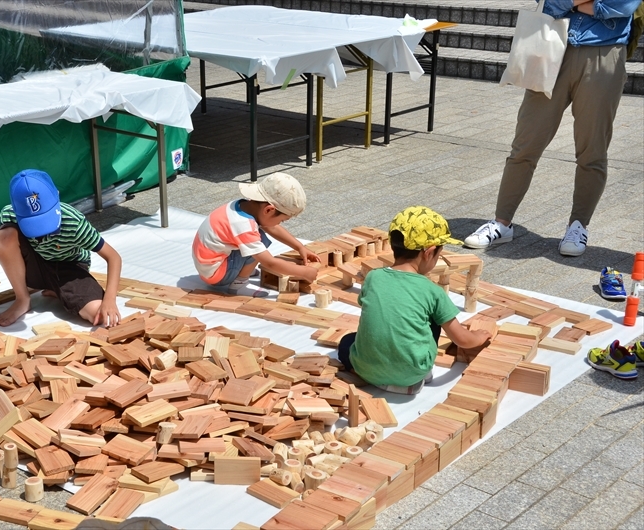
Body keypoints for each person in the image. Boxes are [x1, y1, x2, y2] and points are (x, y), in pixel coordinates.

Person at [464, 0, 641, 256]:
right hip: (552, 46)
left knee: (592, 149)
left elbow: (621, 6)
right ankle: (502, 222)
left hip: (604, 54)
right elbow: (548, 2)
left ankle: (578, 226)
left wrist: (570, 4)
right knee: (526, 142)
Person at [337, 207, 492, 395]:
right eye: (439, 254)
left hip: (366, 368)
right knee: (434, 317)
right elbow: (462, 340)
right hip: (411, 373)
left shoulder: (373, 277)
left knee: (346, 342)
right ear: (429, 252)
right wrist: (480, 336)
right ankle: (416, 377)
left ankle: (373, 376)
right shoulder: (432, 291)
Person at [0, 169, 122, 327]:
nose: (41, 231)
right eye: (32, 224)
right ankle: (22, 299)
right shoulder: (8, 214)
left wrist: (110, 300)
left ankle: (57, 290)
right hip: (33, 267)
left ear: (57, 195)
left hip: (68, 268)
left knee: (98, 315)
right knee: (5, 234)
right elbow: (0, 245)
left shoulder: (74, 222)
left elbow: (113, 257)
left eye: (46, 219)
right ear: (15, 208)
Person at [192, 172, 320, 296]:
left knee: (256, 236)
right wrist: (303, 272)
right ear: (269, 210)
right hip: (216, 275)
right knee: (260, 240)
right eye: (282, 220)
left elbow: (272, 227)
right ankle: (239, 284)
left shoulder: (243, 206)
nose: (279, 223)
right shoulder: (243, 225)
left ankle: (241, 268)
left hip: (208, 266)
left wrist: (299, 247)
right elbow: (269, 263)